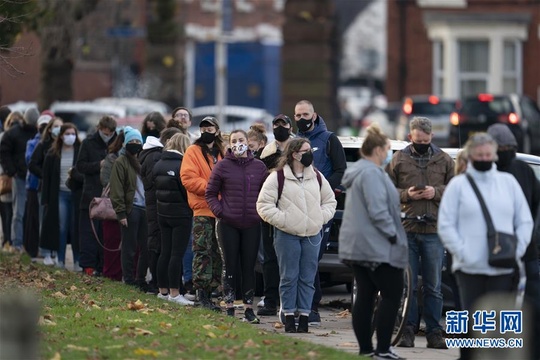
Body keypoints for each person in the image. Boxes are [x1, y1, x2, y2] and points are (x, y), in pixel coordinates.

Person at [438, 133, 533, 360]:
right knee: (471, 320)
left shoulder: (508, 183)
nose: (484, 158)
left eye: (488, 155)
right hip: (469, 268)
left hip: (502, 266)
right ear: (471, 156)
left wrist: (517, 250)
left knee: (498, 322)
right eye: (479, 155)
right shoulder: (458, 186)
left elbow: (524, 221)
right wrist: (462, 251)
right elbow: (446, 224)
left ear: (494, 155)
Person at [339, 124, 407, 360]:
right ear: (378, 149)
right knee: (392, 293)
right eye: (388, 148)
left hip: (359, 247)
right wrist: (393, 235)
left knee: (366, 296)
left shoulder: (359, 172)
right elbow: (378, 211)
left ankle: (366, 350)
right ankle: (382, 348)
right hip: (377, 247)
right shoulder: (372, 174)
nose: (390, 154)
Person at [385, 116, 453, 349]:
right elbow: (386, 190)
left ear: (432, 137)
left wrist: (436, 192)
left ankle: (435, 332)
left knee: (434, 285)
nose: (421, 143)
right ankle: (407, 331)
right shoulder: (398, 159)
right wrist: (407, 195)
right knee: (408, 284)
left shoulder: (444, 160)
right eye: (417, 140)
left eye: (425, 140)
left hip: (434, 230)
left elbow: (455, 190)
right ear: (409, 137)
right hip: (407, 229)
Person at [256, 138, 337, 333]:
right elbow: (263, 205)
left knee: (307, 278)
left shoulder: (316, 176)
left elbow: (330, 201)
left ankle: (305, 316)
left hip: (311, 235)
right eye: (306, 150)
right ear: (294, 154)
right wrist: (283, 220)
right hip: (287, 235)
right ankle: (289, 316)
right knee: (289, 276)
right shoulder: (278, 177)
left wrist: (319, 219)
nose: (310, 153)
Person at [487, 124, 540, 360]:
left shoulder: (521, 171)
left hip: (523, 250)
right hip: (501, 251)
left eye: (509, 148)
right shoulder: (489, 173)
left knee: (529, 302)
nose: (506, 151)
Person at [206, 129, 268, 322]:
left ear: (247, 142)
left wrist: (260, 213)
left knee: (249, 266)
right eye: (234, 140)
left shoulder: (259, 166)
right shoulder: (222, 166)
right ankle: (230, 306)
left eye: (241, 140)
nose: (237, 143)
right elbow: (210, 193)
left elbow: (267, 193)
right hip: (228, 223)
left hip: (251, 222)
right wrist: (220, 212)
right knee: (230, 265)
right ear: (229, 144)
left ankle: (249, 309)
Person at [294, 100, 346, 325]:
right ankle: (297, 306)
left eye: (305, 114)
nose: (302, 119)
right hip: (296, 208)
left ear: (314, 115)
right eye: (297, 115)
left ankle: (312, 306)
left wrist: (321, 187)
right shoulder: (293, 143)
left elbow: (340, 170)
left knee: (312, 259)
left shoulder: (330, 140)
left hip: (321, 209)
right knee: (297, 260)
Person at [180, 116, 225, 311]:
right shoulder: (193, 151)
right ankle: (202, 294)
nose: (207, 131)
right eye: (203, 128)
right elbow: (188, 178)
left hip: (222, 211)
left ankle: (213, 291)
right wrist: (212, 188)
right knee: (202, 252)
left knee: (217, 254)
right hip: (202, 209)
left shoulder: (223, 152)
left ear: (217, 130)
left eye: (210, 127)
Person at [257, 114, 294, 316]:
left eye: (284, 124)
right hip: (270, 209)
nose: (280, 128)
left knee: (289, 258)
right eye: (276, 125)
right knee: (270, 258)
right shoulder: (265, 153)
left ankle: (289, 302)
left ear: (290, 127)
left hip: (292, 209)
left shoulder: (298, 150)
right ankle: (271, 300)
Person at [152, 133, 194, 305]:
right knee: (177, 254)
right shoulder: (182, 164)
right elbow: (186, 191)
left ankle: (162, 291)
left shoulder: (158, 163)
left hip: (162, 213)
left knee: (165, 252)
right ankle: (175, 294)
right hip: (181, 214)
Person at [139, 127, 182, 294]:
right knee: (160, 247)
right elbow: (156, 183)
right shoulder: (157, 157)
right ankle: (158, 284)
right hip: (159, 206)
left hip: (157, 205)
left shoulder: (152, 155)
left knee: (159, 246)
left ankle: (159, 285)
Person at [76, 115, 117, 276]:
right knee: (88, 232)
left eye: (110, 132)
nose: (107, 135)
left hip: (109, 195)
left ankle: (103, 265)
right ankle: (88, 265)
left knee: (105, 233)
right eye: (104, 132)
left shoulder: (116, 144)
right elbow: (80, 166)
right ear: (99, 129)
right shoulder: (88, 143)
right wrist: (98, 165)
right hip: (91, 193)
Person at [109, 127, 149, 290]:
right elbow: (116, 189)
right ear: (125, 144)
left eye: (138, 141)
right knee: (129, 246)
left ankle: (141, 278)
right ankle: (129, 278)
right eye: (131, 141)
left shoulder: (144, 160)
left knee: (146, 247)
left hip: (146, 209)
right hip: (131, 209)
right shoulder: (121, 162)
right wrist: (121, 213)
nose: (135, 144)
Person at [40, 123, 82, 269]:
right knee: (62, 227)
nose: (71, 136)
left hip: (76, 195)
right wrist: (45, 199)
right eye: (68, 133)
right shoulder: (53, 154)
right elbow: (47, 177)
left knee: (75, 227)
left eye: (73, 133)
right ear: (62, 135)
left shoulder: (80, 151)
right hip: (60, 195)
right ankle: (61, 259)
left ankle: (77, 260)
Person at [0, 107, 38, 252]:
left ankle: (20, 243)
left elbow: (4, 152)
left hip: (27, 176)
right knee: (20, 211)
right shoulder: (15, 134)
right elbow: (4, 153)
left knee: (21, 212)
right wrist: (12, 171)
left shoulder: (13, 134)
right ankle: (17, 243)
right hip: (22, 177)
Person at [23, 113, 53, 259]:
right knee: (34, 219)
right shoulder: (34, 143)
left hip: (44, 186)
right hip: (34, 185)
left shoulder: (51, 143)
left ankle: (44, 248)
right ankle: (34, 249)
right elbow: (30, 161)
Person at [99, 129, 125, 281]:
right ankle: (111, 274)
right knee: (112, 240)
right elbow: (105, 180)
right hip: (113, 204)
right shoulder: (112, 158)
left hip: (130, 204)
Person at [0, 107, 14, 250]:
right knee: (7, 210)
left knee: (6, 210)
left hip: (4, 177)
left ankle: (6, 240)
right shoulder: (8, 136)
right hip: (6, 177)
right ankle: (7, 240)